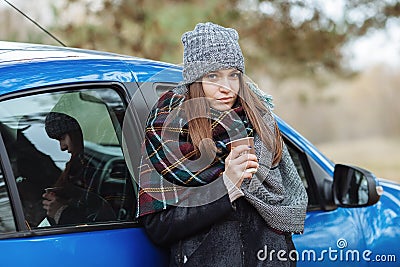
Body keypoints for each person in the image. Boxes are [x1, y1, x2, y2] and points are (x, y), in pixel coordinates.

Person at [137, 22, 308, 266]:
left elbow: (284, 201)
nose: (226, 88)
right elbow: (160, 228)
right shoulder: (168, 132)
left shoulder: (261, 121)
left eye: (233, 75)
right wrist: (226, 186)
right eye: (213, 76)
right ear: (196, 80)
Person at [42, 112, 114, 226]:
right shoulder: (78, 167)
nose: (62, 147)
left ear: (77, 133)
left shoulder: (92, 167)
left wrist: (60, 212)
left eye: (62, 138)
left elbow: (97, 223)